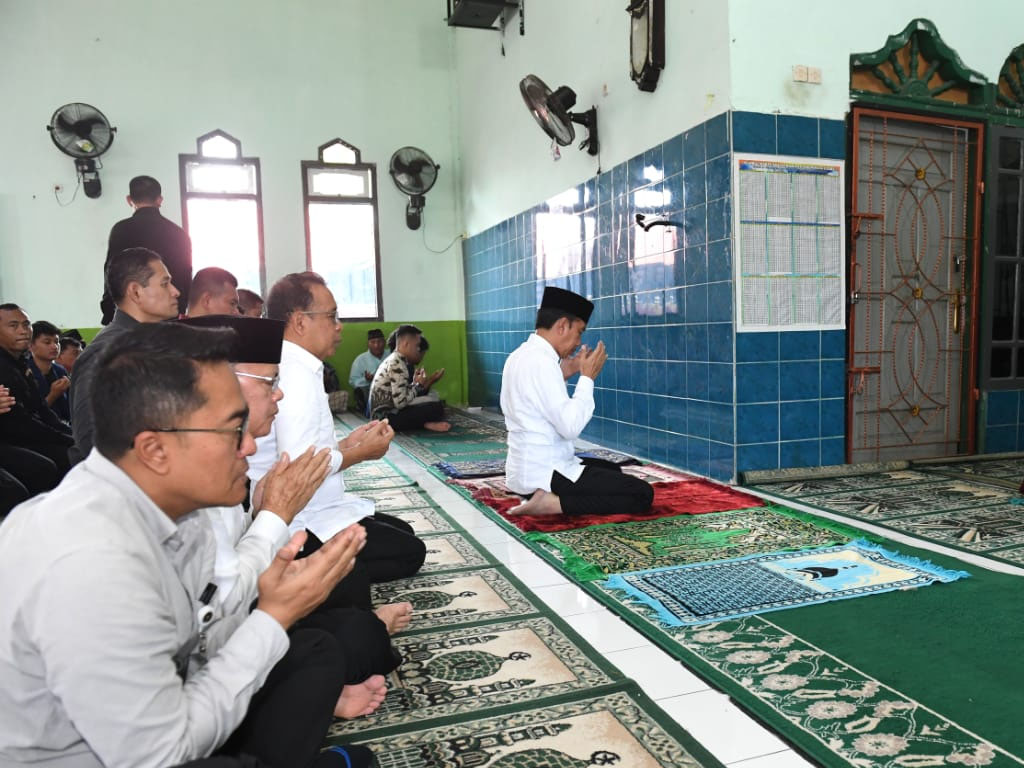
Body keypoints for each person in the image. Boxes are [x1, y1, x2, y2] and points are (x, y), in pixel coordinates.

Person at [0, 322, 376, 768]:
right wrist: (276, 616)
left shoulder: (163, 502)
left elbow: (204, 630)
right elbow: (163, 753)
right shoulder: (87, 563)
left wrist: (277, 594)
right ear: (155, 450)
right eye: (233, 430)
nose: (251, 446)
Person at [252, 272, 425, 586]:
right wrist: (358, 454)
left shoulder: (298, 364)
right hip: (300, 523)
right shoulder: (295, 372)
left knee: (404, 535)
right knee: (410, 552)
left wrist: (346, 444)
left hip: (316, 507)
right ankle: (308, 573)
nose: (338, 325)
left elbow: (308, 446)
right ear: (300, 322)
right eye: (331, 316)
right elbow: (299, 467)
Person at [500, 286, 654, 517]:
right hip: (545, 472)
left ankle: (542, 496)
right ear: (562, 325)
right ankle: (552, 505)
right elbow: (570, 427)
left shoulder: (522, 355)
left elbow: (535, 392)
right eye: (579, 332)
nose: (578, 341)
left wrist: (569, 369)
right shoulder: (541, 363)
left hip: (523, 470)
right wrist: (587, 378)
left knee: (611, 470)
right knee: (641, 493)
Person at [70, 247, 181, 463]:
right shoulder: (106, 353)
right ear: (136, 292)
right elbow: (91, 440)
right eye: (165, 283)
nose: (175, 291)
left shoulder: (151, 345)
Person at [101, 174, 192, 322]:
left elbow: (111, 272)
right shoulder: (178, 233)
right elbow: (186, 274)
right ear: (160, 200)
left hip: (131, 315)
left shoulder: (121, 230)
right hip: (169, 316)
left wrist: (108, 310)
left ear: (129, 200)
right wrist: (180, 309)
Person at [0, 304, 73, 476]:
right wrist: (65, 438)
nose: (23, 331)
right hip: (11, 439)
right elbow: (19, 423)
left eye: (26, 324)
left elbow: (41, 408)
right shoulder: (3, 368)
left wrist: (70, 433)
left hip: (28, 433)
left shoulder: (22, 364)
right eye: (13, 326)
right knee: (47, 466)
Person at [370, 324, 449, 432]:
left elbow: (400, 394)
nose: (418, 349)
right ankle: (424, 424)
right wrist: (417, 386)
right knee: (435, 408)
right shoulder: (397, 363)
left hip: (385, 415)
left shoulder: (395, 359)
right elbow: (401, 403)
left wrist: (414, 385)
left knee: (432, 404)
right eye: (416, 346)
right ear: (406, 344)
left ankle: (424, 423)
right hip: (386, 419)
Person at [27, 320, 71, 423]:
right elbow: (30, 416)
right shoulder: (24, 372)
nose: (54, 346)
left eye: (56, 341)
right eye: (47, 342)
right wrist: (53, 395)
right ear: (31, 346)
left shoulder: (60, 370)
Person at [348, 329, 386, 414]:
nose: (376, 345)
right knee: (360, 391)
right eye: (373, 342)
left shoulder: (391, 355)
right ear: (368, 344)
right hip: (369, 390)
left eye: (379, 342)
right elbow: (353, 381)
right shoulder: (360, 360)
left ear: (384, 342)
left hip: (389, 389)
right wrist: (366, 380)